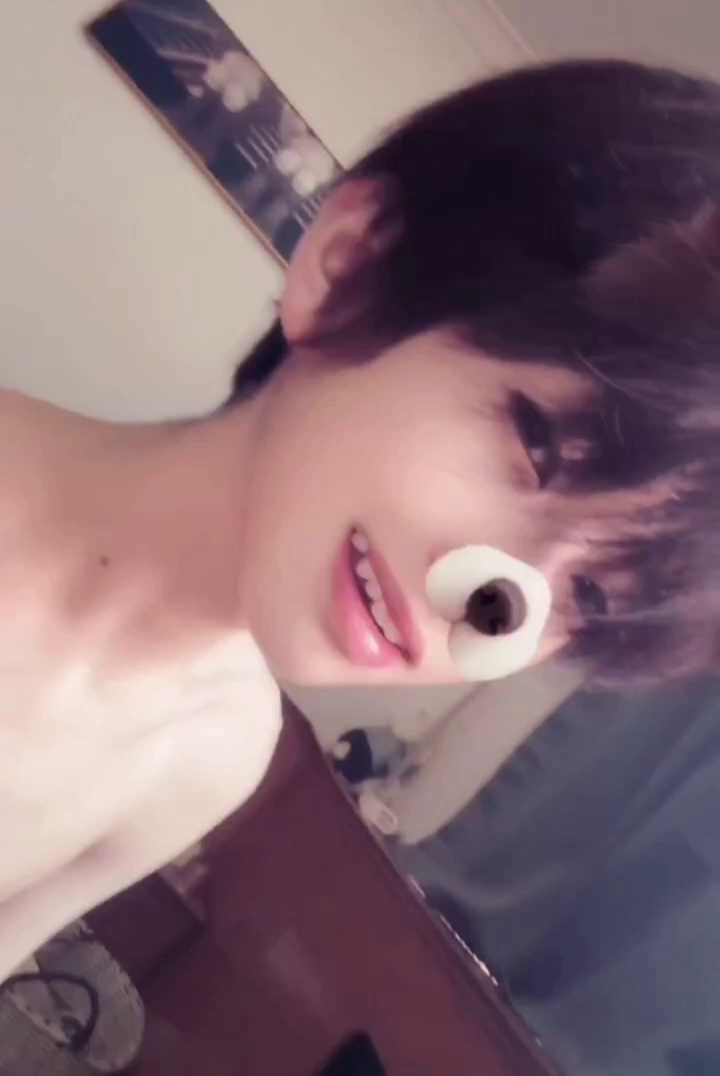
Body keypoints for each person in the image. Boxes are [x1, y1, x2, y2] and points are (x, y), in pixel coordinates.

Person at [3, 57, 720, 979]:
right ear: (354, 266)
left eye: (588, 597)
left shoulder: (208, 761)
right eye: (537, 445)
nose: (501, 601)